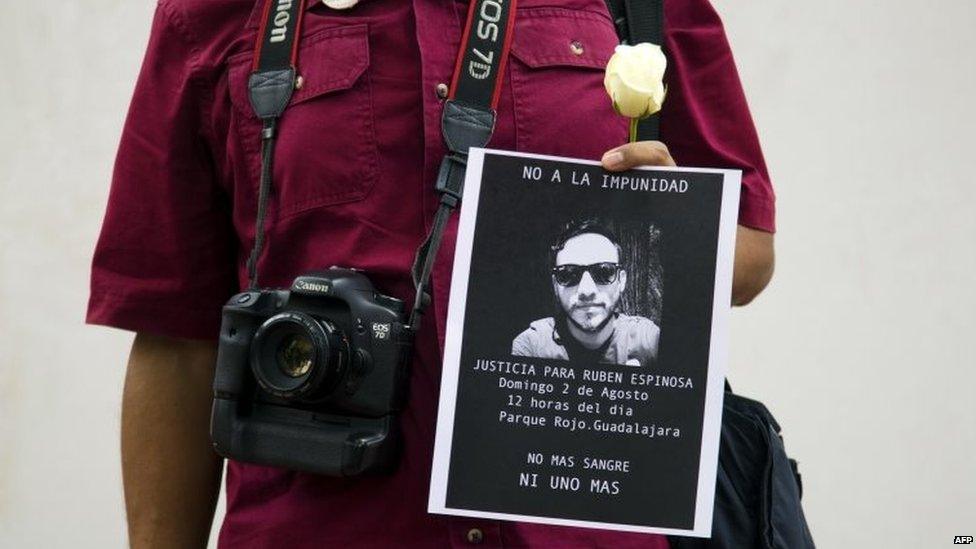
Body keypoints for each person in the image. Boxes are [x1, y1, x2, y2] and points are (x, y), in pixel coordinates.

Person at [87, 0, 775, 547]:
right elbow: (175, 329)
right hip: (319, 527)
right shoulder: (215, 14)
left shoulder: (640, 4)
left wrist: (668, 221)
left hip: (573, 526)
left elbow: (750, 256)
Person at [512, 218, 660, 366]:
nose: (586, 291)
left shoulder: (648, 341)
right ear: (555, 285)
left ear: (621, 281)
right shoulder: (532, 346)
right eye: (568, 274)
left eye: (604, 271)